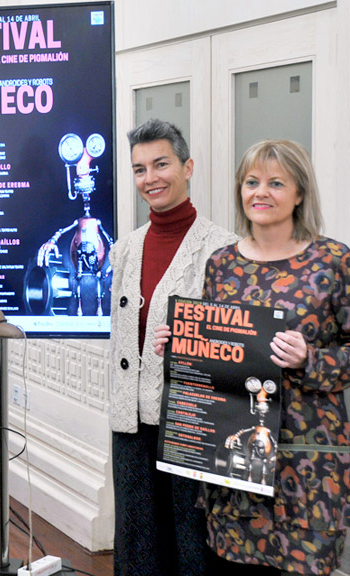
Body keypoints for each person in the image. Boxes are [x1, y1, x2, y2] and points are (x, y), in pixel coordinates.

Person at [154, 140, 350, 575]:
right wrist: (183, 345)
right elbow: (218, 358)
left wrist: (310, 359)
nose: (261, 192)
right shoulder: (221, 265)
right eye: (251, 182)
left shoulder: (334, 262)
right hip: (236, 463)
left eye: (276, 183)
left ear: (300, 193)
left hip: (308, 464)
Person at [108, 119, 237, 576]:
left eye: (161, 164)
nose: (151, 179)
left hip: (191, 422)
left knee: (191, 543)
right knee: (138, 542)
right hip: (129, 422)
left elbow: (235, 344)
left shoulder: (224, 251)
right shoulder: (124, 250)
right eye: (140, 169)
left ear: (188, 166)